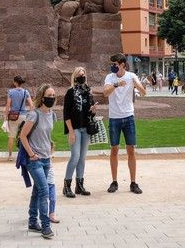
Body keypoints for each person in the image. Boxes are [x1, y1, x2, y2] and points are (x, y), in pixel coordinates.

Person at [104, 53, 147, 194]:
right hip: (114, 118)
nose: (113, 66)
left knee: (131, 150)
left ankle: (133, 182)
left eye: (115, 64)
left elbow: (144, 92)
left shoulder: (131, 76)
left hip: (128, 116)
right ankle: (114, 181)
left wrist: (137, 85)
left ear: (122, 64)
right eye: (112, 64)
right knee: (114, 149)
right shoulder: (110, 78)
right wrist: (116, 84)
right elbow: (105, 93)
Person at [18, 84, 56, 239]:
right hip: (35, 160)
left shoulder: (52, 114)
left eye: (53, 96)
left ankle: (33, 221)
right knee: (44, 191)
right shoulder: (34, 115)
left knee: (37, 191)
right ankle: (45, 226)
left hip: (46, 159)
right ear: (42, 96)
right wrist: (32, 154)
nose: (51, 98)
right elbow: (22, 136)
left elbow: (45, 134)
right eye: (49, 95)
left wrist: (50, 145)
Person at [63, 67, 96, 198]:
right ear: (74, 77)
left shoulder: (88, 92)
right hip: (75, 128)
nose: (81, 76)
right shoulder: (70, 92)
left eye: (83, 74)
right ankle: (66, 186)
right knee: (75, 157)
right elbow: (66, 114)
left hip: (85, 128)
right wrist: (70, 131)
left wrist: (93, 109)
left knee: (82, 158)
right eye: (79, 74)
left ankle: (80, 185)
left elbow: (90, 112)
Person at [4, 75, 33, 161]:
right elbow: (31, 105)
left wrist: (6, 116)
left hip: (13, 116)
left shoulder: (11, 92)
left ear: (15, 82)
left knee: (11, 136)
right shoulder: (26, 92)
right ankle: (27, 154)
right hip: (23, 115)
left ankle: (10, 156)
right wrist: (29, 114)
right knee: (24, 136)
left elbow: (8, 105)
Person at [47, 142, 59, 224]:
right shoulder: (41, 158)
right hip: (43, 183)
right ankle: (34, 213)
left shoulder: (50, 157)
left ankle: (52, 215)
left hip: (51, 183)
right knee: (40, 199)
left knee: (53, 199)